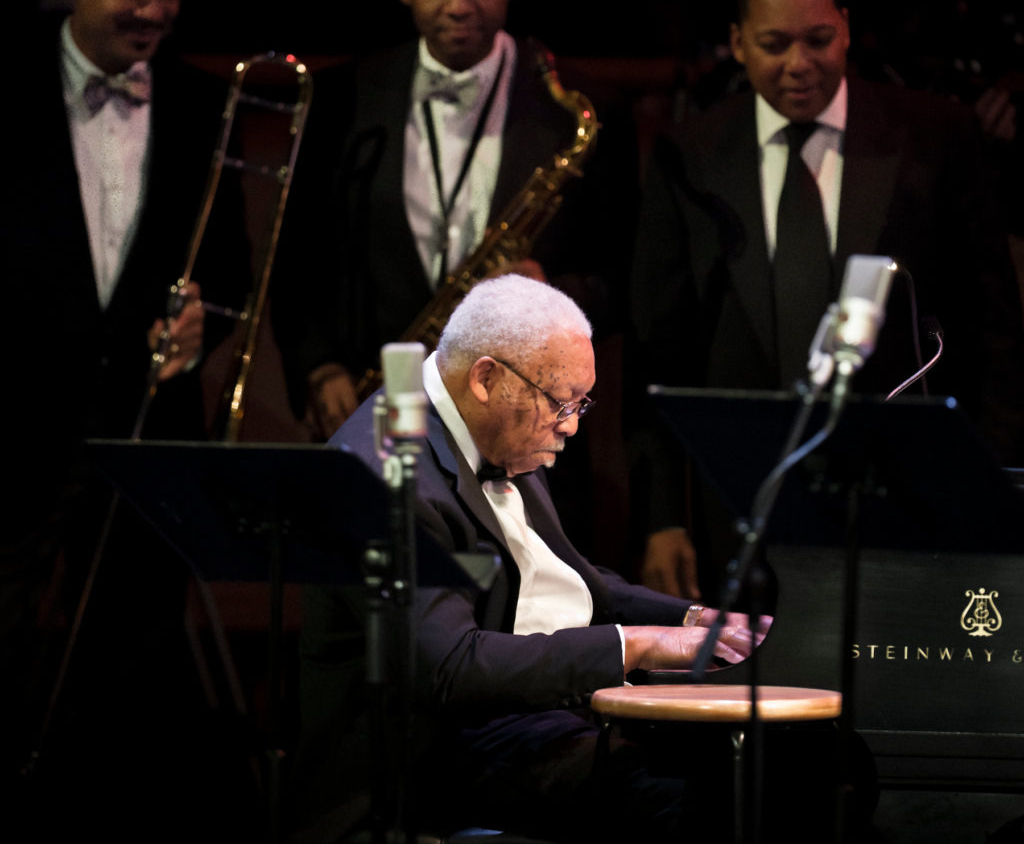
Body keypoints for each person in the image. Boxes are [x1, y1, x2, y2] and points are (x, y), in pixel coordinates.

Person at [290, 274, 775, 844]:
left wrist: (692, 620)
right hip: (427, 753)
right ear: (486, 378)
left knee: (791, 768)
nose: (571, 424)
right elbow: (448, 668)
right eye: (560, 402)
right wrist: (635, 644)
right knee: (692, 796)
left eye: (581, 402)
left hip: (518, 716)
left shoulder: (498, 432)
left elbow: (569, 579)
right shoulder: (385, 473)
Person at [629, 0, 1024, 599]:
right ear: (736, 43)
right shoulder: (691, 156)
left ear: (847, 28)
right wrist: (664, 517)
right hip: (746, 505)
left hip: (910, 496)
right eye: (774, 44)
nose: (798, 64)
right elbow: (659, 350)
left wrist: (985, 488)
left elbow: (995, 333)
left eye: (818, 40)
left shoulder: (934, 135)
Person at [1, 0, 251, 835]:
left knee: (130, 664)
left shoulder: (198, 99)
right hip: (17, 423)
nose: (153, 11)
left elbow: (222, 263)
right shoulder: (5, 80)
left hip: (147, 431)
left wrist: (204, 324)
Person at [273, 0, 630, 442]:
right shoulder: (343, 101)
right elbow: (298, 260)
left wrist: (552, 294)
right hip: (380, 421)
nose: (459, 5)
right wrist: (318, 367)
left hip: (528, 429)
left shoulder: (579, 109)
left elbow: (626, 277)